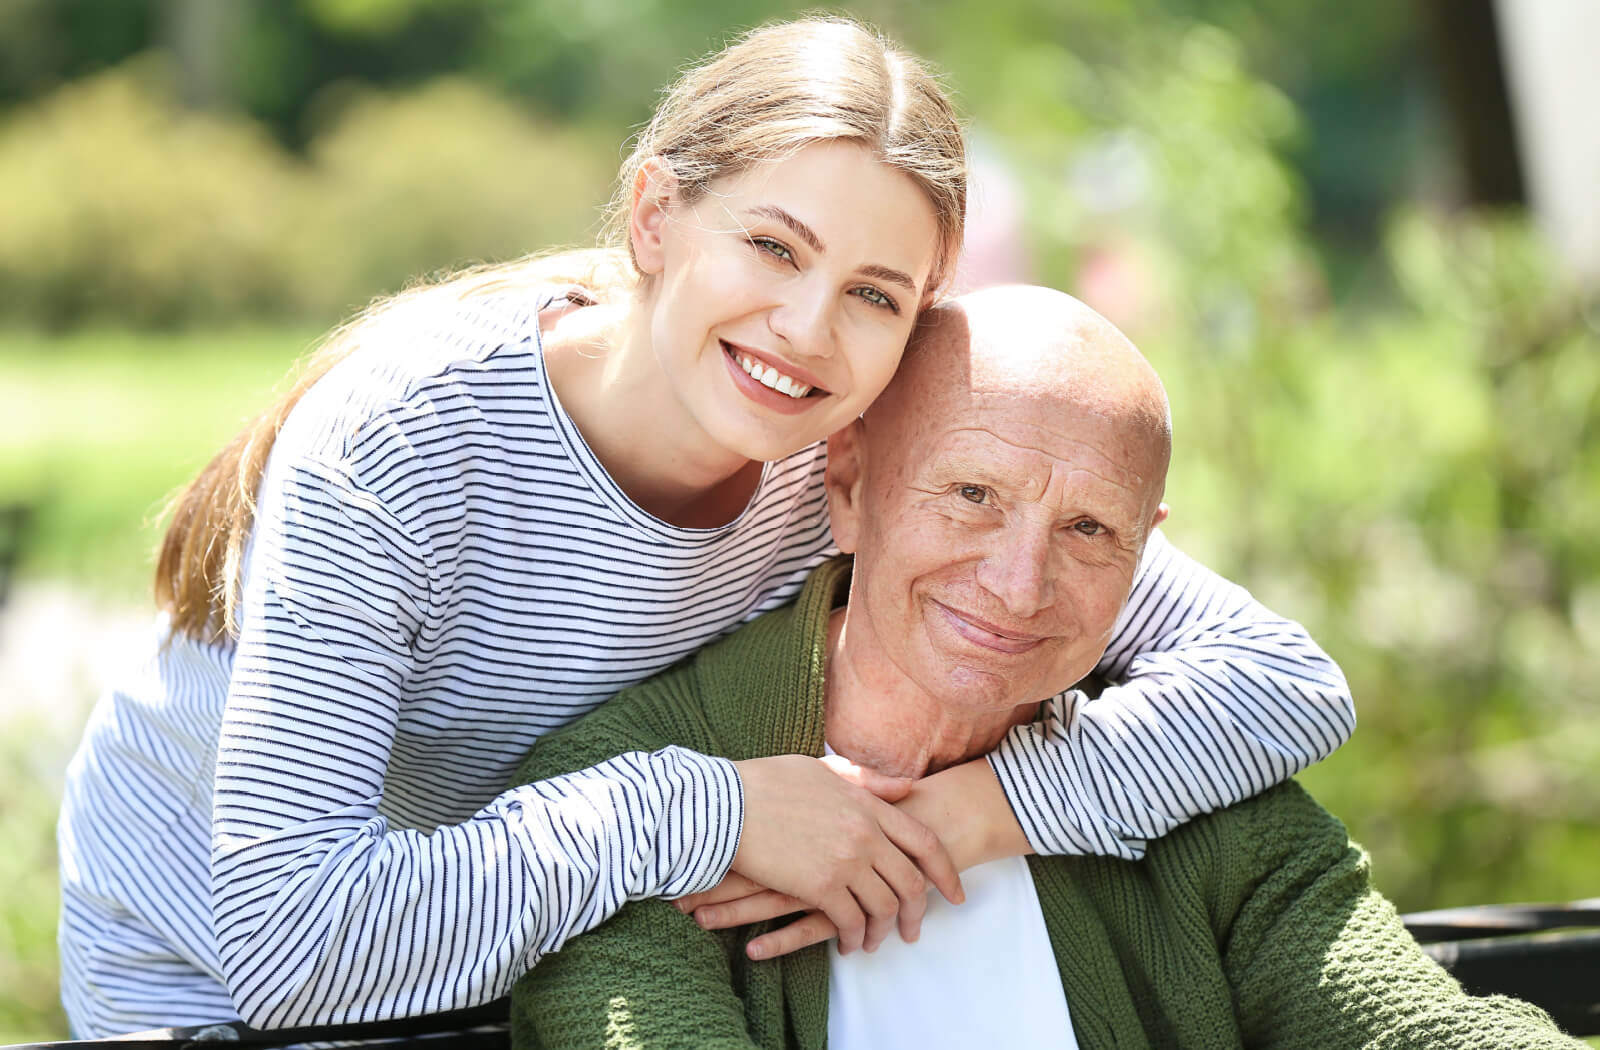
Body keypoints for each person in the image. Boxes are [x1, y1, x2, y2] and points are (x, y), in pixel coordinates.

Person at [56, 18, 1352, 1040]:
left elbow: (1279, 683)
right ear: (656, 215)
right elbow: (299, 944)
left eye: (874, 295)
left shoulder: (853, 449)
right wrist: (707, 808)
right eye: (773, 247)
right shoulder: (402, 445)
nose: (805, 329)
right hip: (219, 982)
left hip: (532, 939)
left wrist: (965, 817)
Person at [509, 286, 1581, 1050]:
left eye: (1087, 530)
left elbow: (1419, 1033)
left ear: (1142, 548)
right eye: (971, 495)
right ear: (848, 482)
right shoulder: (630, 811)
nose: (1020, 586)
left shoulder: (1193, 789)